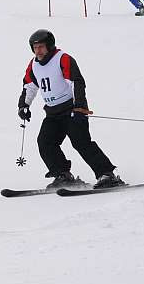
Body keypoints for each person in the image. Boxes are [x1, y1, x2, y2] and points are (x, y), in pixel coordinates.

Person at [17, 29, 125, 190]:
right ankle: (63, 175)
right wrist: (23, 106)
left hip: (72, 109)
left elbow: (76, 82)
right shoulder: (33, 65)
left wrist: (79, 107)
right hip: (53, 113)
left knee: (81, 142)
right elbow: (30, 86)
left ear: (50, 46)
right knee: (45, 142)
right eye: (35, 47)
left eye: (41, 47)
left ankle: (107, 174)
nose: (37, 51)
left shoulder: (63, 59)